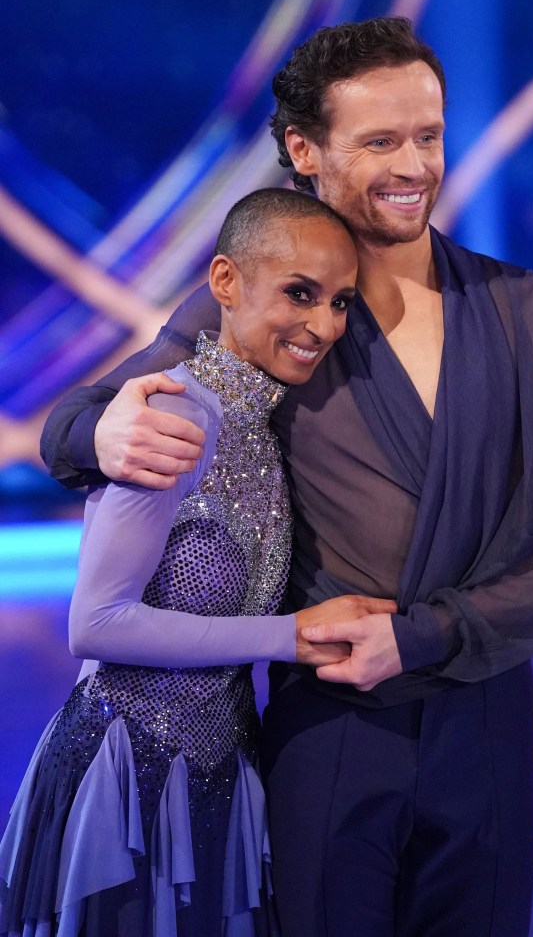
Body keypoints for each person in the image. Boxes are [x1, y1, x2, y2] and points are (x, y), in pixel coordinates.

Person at [38, 17, 533, 937]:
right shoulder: (263, 309)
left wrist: (430, 633)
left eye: (428, 135)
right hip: (329, 731)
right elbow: (82, 416)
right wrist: (99, 432)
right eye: (381, 140)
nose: (415, 164)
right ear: (304, 151)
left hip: (488, 721)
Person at [0, 187, 396, 937]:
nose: (323, 324)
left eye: (340, 302)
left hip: (222, 780)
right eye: (299, 294)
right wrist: (291, 634)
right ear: (224, 282)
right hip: (122, 792)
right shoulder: (173, 414)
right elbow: (97, 623)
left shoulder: (264, 426)